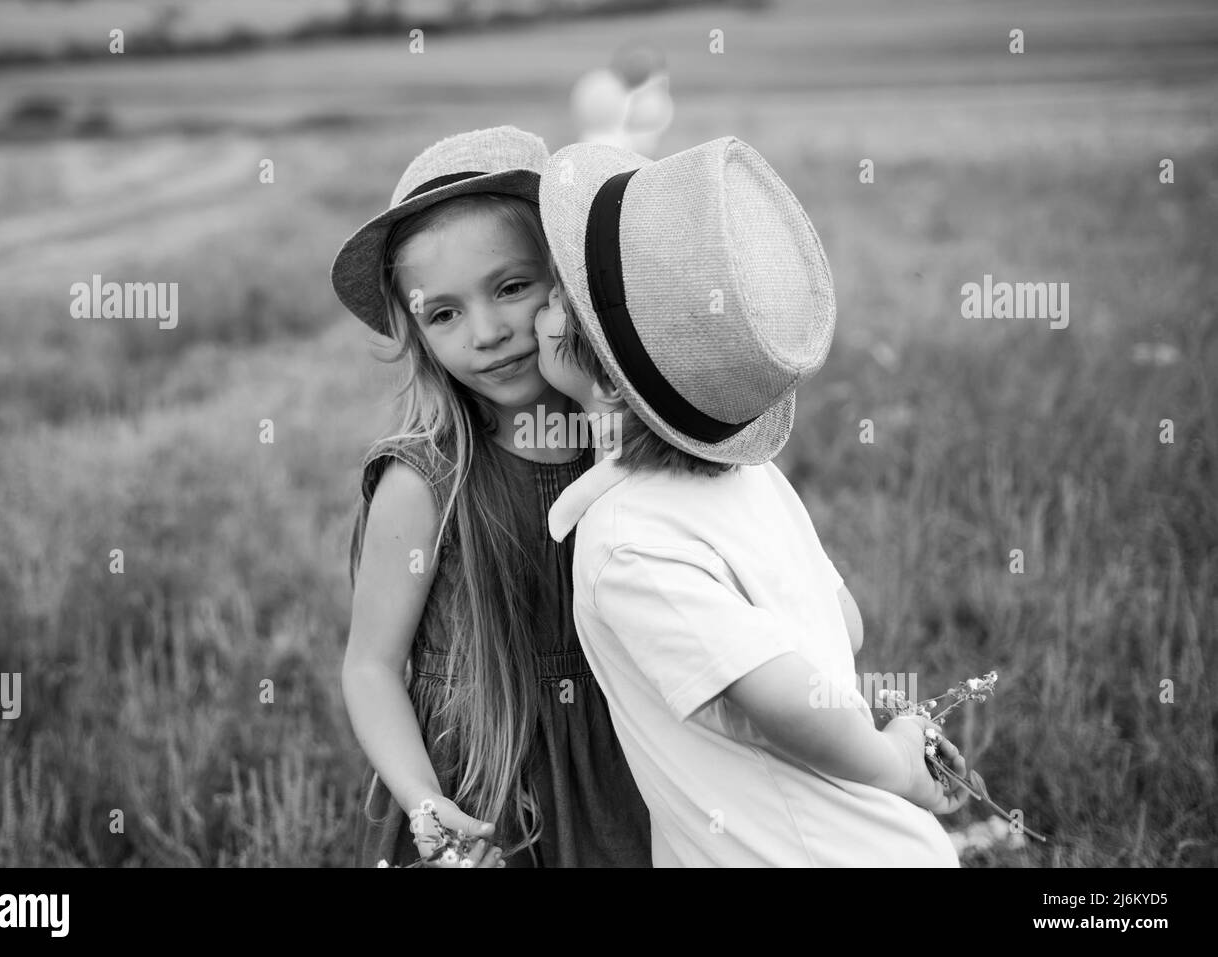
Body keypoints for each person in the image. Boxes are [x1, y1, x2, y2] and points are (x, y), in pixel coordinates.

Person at [532, 135, 976, 866]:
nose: (543, 303)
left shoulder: (624, 542)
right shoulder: (755, 479)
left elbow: (789, 695)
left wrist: (896, 763)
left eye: (559, 297)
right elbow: (846, 626)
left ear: (610, 384)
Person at [330, 126, 651, 868]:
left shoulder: (637, 445)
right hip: (481, 794)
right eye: (443, 313)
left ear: (567, 283)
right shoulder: (424, 484)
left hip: (628, 775)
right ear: (416, 330)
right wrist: (421, 799)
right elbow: (370, 666)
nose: (487, 333)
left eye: (511, 287)